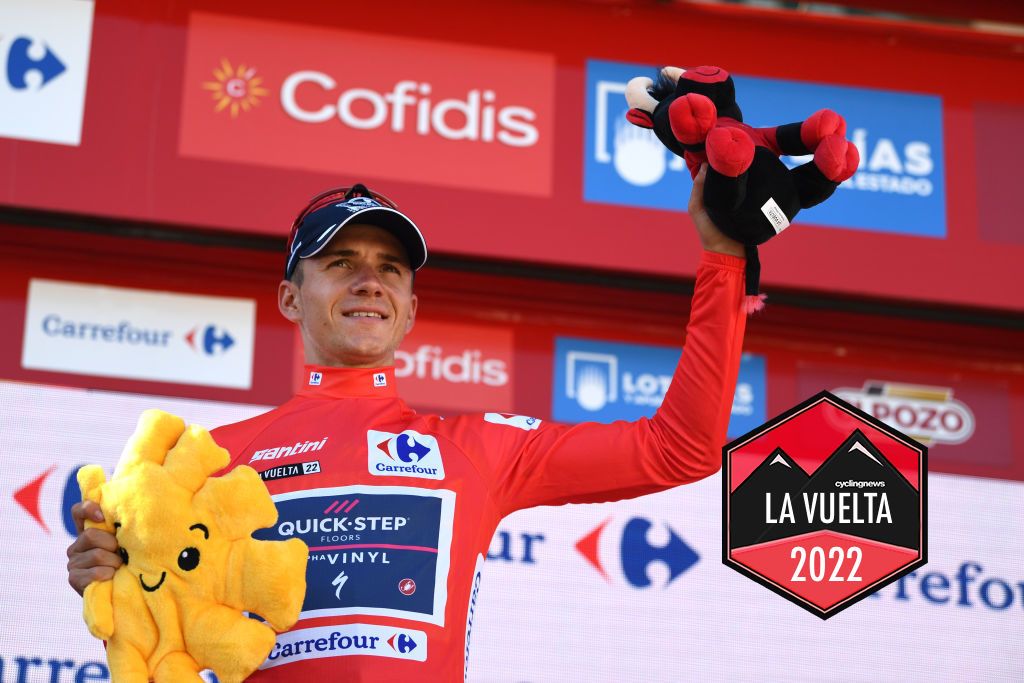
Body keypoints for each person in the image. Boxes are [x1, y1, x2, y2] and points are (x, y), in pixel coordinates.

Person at [67, 169, 747, 680]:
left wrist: (724, 256)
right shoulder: (209, 462)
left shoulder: (477, 448)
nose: (369, 281)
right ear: (289, 297)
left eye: (389, 268)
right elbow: (157, 647)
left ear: (411, 309)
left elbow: (680, 446)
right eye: (341, 264)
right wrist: (114, 577)